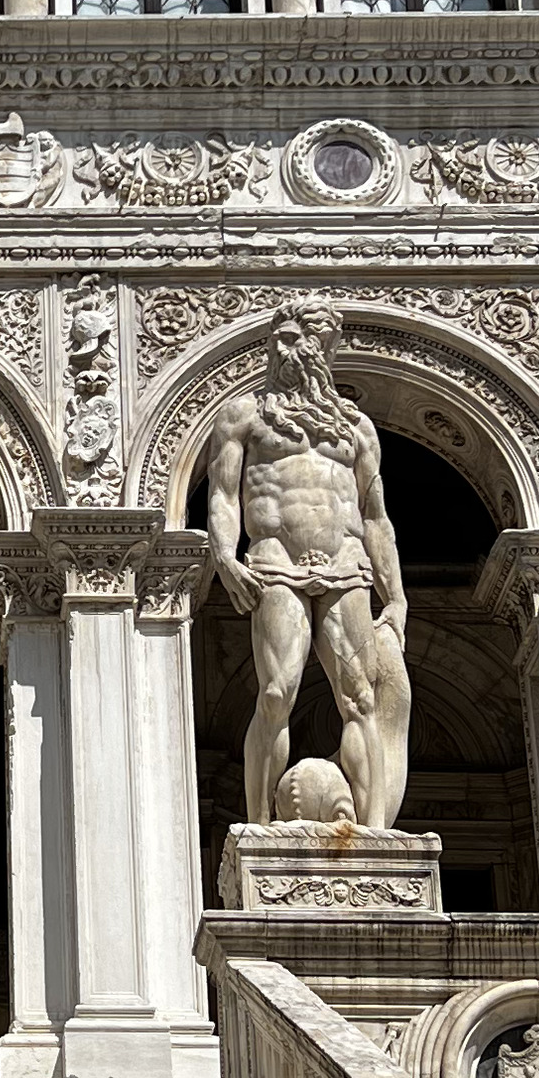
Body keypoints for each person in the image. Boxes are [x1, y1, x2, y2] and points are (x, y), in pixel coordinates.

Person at [202, 308, 412, 830]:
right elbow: (225, 495)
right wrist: (224, 556)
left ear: (329, 346)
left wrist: (398, 596)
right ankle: (258, 829)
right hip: (276, 563)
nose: (289, 345)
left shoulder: (357, 427)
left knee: (360, 699)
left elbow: (375, 516)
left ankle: (373, 833)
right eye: (281, 336)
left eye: (305, 337)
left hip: (347, 565)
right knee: (276, 694)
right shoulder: (244, 415)